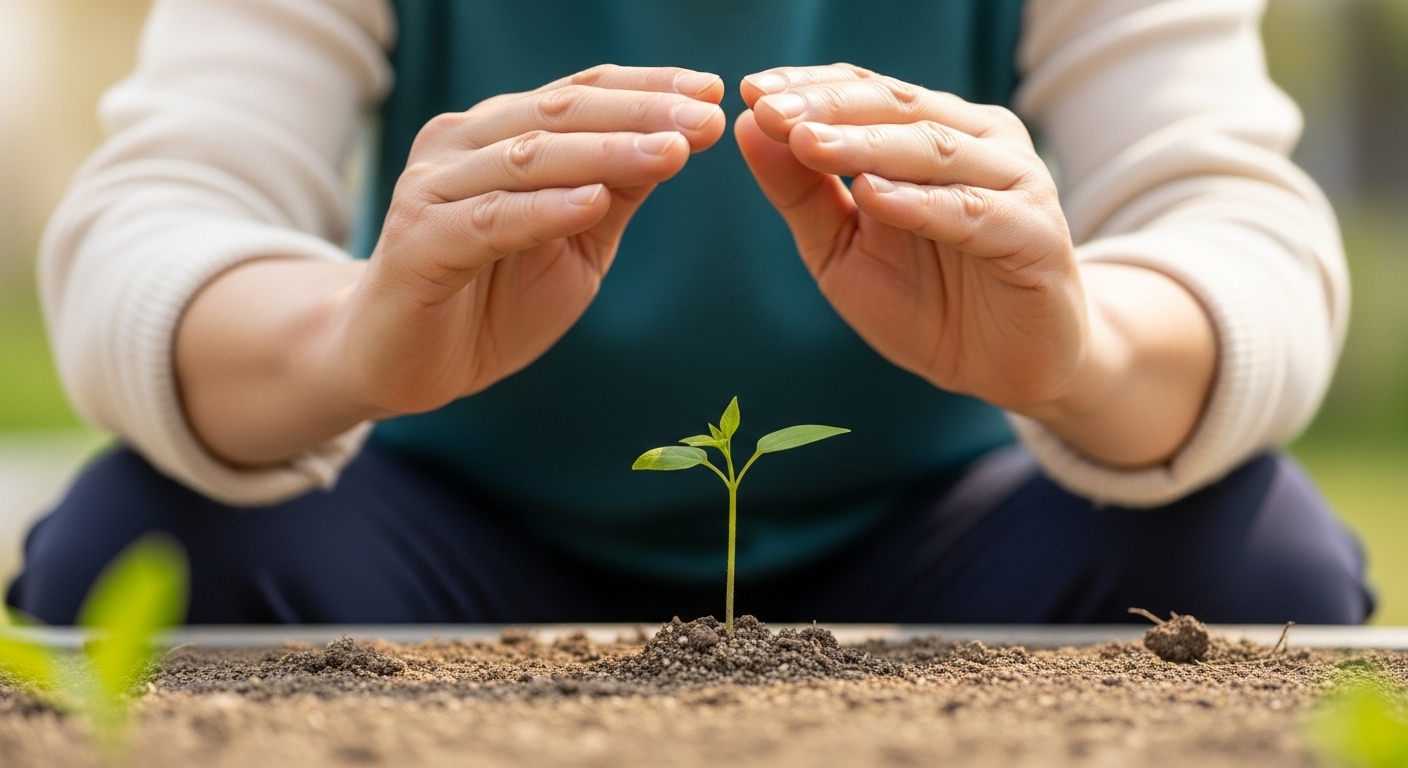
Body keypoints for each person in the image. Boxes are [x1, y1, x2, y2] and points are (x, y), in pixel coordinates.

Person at [8, 0, 1373, 625]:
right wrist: (351, 340)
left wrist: (1082, 349)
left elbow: (1240, 235)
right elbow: (157, 221)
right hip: (442, 527)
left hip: (941, 538)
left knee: (1255, 566)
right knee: (148, 550)